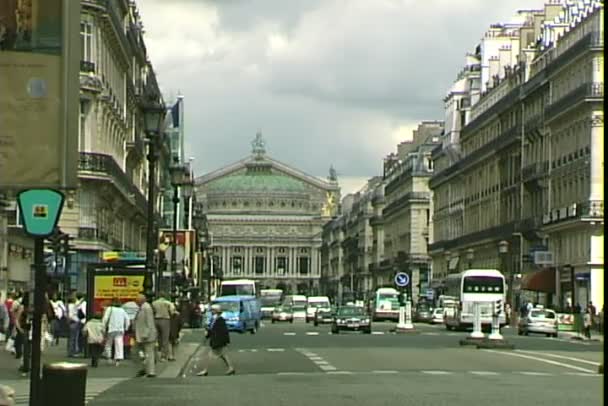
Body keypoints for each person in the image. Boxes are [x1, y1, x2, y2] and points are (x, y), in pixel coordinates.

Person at [197, 304, 234, 376]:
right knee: (223, 355)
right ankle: (231, 368)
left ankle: (205, 370)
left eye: (213, 310)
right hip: (217, 341)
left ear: (216, 311)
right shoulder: (215, 319)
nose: (211, 312)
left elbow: (224, 332)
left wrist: (225, 341)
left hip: (218, 341)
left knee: (209, 356)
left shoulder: (220, 320)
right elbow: (212, 330)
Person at [102, 299, 130, 366]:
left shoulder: (110, 309)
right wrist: (126, 328)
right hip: (120, 329)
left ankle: (109, 358)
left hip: (111, 328)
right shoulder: (122, 310)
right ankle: (118, 360)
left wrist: (103, 327)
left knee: (108, 343)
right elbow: (127, 319)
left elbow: (105, 318)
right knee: (119, 343)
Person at [134, 294, 157, 377]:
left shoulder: (146, 308)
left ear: (141, 300)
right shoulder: (142, 308)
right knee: (143, 353)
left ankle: (150, 371)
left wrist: (145, 334)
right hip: (142, 335)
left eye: (137, 300)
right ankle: (145, 369)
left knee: (149, 353)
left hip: (146, 335)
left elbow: (149, 322)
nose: (136, 302)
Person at [152, 292, 175, 362]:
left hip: (156, 320)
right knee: (165, 338)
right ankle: (163, 356)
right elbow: (172, 312)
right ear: (165, 296)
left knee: (157, 338)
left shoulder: (154, 303)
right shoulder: (168, 303)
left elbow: (153, 311)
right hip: (165, 320)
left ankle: (156, 355)